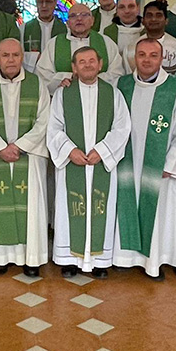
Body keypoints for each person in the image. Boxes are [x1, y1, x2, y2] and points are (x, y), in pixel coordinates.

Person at [111, 39, 176, 280]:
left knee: (159, 212)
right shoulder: (121, 85)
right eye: (142, 54)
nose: (147, 60)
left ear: (161, 59)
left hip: (159, 166)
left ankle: (154, 260)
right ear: (134, 58)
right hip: (126, 162)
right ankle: (124, 257)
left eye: (153, 55)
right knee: (125, 204)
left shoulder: (173, 88)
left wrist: (171, 163)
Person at [48, 47, 131, 277]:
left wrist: (102, 151)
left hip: (100, 164)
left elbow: (122, 127)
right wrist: (70, 150)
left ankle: (100, 261)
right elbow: (53, 127)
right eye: (82, 61)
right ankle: (69, 259)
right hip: (72, 163)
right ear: (74, 67)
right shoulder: (63, 94)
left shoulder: (113, 94)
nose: (87, 65)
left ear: (100, 64)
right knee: (69, 210)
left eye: (92, 60)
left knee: (101, 208)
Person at [0, 38, 50, 277]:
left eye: (16, 55)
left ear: (22, 56)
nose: (11, 60)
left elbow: (44, 120)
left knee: (31, 208)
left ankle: (31, 259)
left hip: (29, 157)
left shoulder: (37, 84)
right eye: (5, 55)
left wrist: (21, 146)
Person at [36, 3, 124, 93]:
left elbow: (117, 72)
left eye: (84, 15)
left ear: (92, 20)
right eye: (73, 16)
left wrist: (91, 79)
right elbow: (43, 73)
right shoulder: (53, 43)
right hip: (66, 95)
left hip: (100, 94)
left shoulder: (106, 42)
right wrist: (65, 78)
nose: (79, 19)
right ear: (67, 23)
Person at [123, 0, 176, 75]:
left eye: (158, 15)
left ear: (166, 21)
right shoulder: (130, 49)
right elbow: (128, 77)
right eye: (149, 15)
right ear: (143, 21)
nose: (153, 19)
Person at [21, 0, 66, 73]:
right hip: (34, 73)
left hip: (56, 75)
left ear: (55, 3)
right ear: (36, 4)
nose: (44, 5)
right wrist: (35, 57)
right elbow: (18, 54)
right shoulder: (24, 28)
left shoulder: (65, 29)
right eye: (40, 2)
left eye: (48, 2)